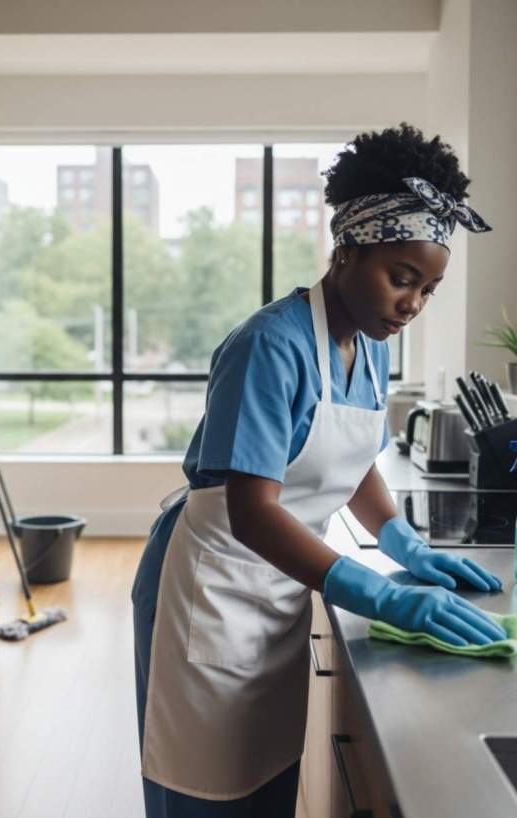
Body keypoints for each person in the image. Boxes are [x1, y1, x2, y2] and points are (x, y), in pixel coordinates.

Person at [131, 123, 505, 818]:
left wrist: (403, 543)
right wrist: (383, 594)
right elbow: (253, 510)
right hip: (209, 592)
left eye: (427, 289)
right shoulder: (270, 346)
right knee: (204, 794)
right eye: (401, 278)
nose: (412, 305)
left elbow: (349, 455)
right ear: (347, 250)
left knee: (265, 783)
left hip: (278, 588)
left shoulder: (370, 345)